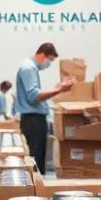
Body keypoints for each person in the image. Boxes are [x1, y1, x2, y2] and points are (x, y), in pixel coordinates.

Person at [15, 42, 74, 173]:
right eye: (49, 60)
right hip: (33, 121)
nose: (49, 64)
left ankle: (39, 188)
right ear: (42, 55)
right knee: (35, 161)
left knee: (38, 159)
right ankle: (35, 191)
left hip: (35, 120)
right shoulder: (28, 68)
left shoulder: (32, 68)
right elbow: (34, 96)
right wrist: (60, 90)